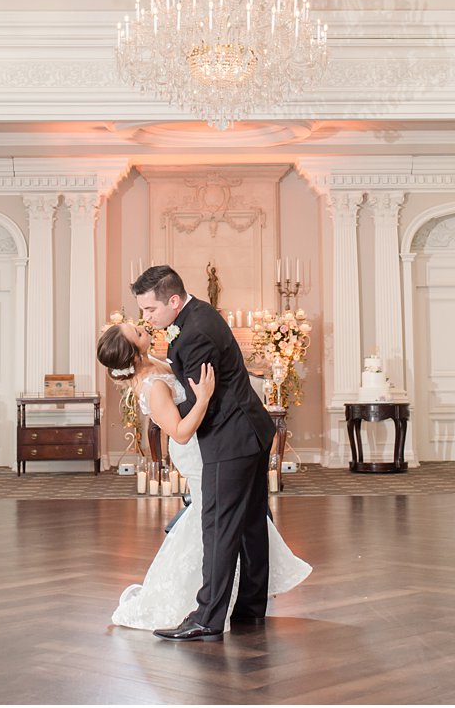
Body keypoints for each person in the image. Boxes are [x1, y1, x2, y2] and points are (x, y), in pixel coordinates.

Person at [98, 319, 310, 635]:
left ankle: (235, 596)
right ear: (132, 356)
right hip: (194, 451)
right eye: (139, 333)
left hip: (203, 445)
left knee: (219, 515)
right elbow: (181, 433)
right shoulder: (152, 386)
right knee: (211, 516)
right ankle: (201, 598)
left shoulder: (152, 363)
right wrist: (205, 397)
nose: (145, 330)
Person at [132, 264, 284, 641]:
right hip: (250, 432)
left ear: (173, 300)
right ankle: (250, 608)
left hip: (231, 440)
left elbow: (205, 399)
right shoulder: (199, 315)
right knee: (249, 524)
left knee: (217, 526)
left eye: (150, 310)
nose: (147, 318)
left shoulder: (194, 332)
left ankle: (207, 618)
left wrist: (171, 418)